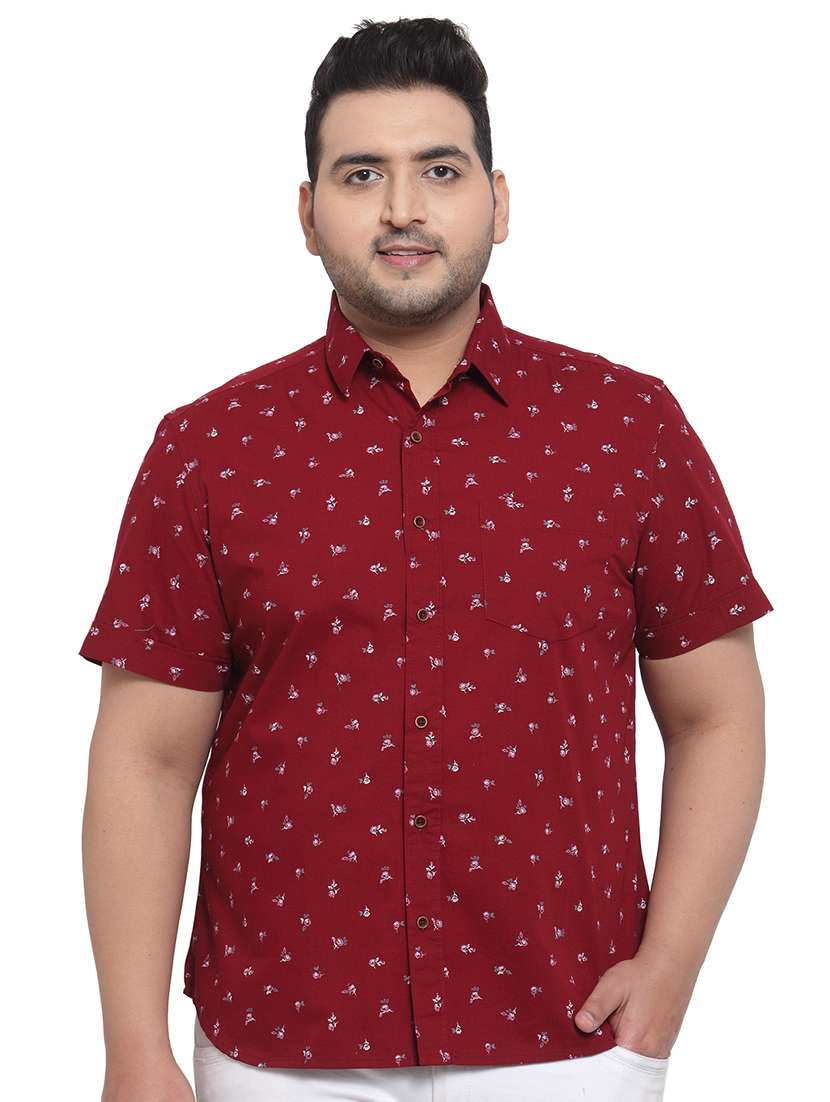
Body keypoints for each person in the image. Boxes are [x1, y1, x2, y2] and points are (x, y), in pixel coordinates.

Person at [80, 16, 774, 1102]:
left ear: (498, 201)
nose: (402, 207)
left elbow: (716, 715)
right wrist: (134, 1050)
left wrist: (670, 972)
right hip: (277, 1052)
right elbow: (145, 761)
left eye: (439, 171)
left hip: (568, 1044)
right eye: (361, 174)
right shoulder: (208, 449)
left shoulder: (627, 427)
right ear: (307, 214)